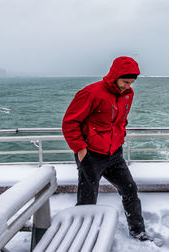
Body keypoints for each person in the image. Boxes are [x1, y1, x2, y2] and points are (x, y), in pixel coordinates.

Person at [62, 56, 149, 241]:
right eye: (125, 81)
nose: (128, 86)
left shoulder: (128, 95)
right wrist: (80, 149)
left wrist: (120, 138)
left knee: (130, 189)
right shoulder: (91, 93)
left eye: (131, 82)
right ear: (115, 76)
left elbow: (121, 120)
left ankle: (138, 231)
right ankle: (82, 237)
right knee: (87, 199)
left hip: (114, 154)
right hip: (91, 155)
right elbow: (70, 122)